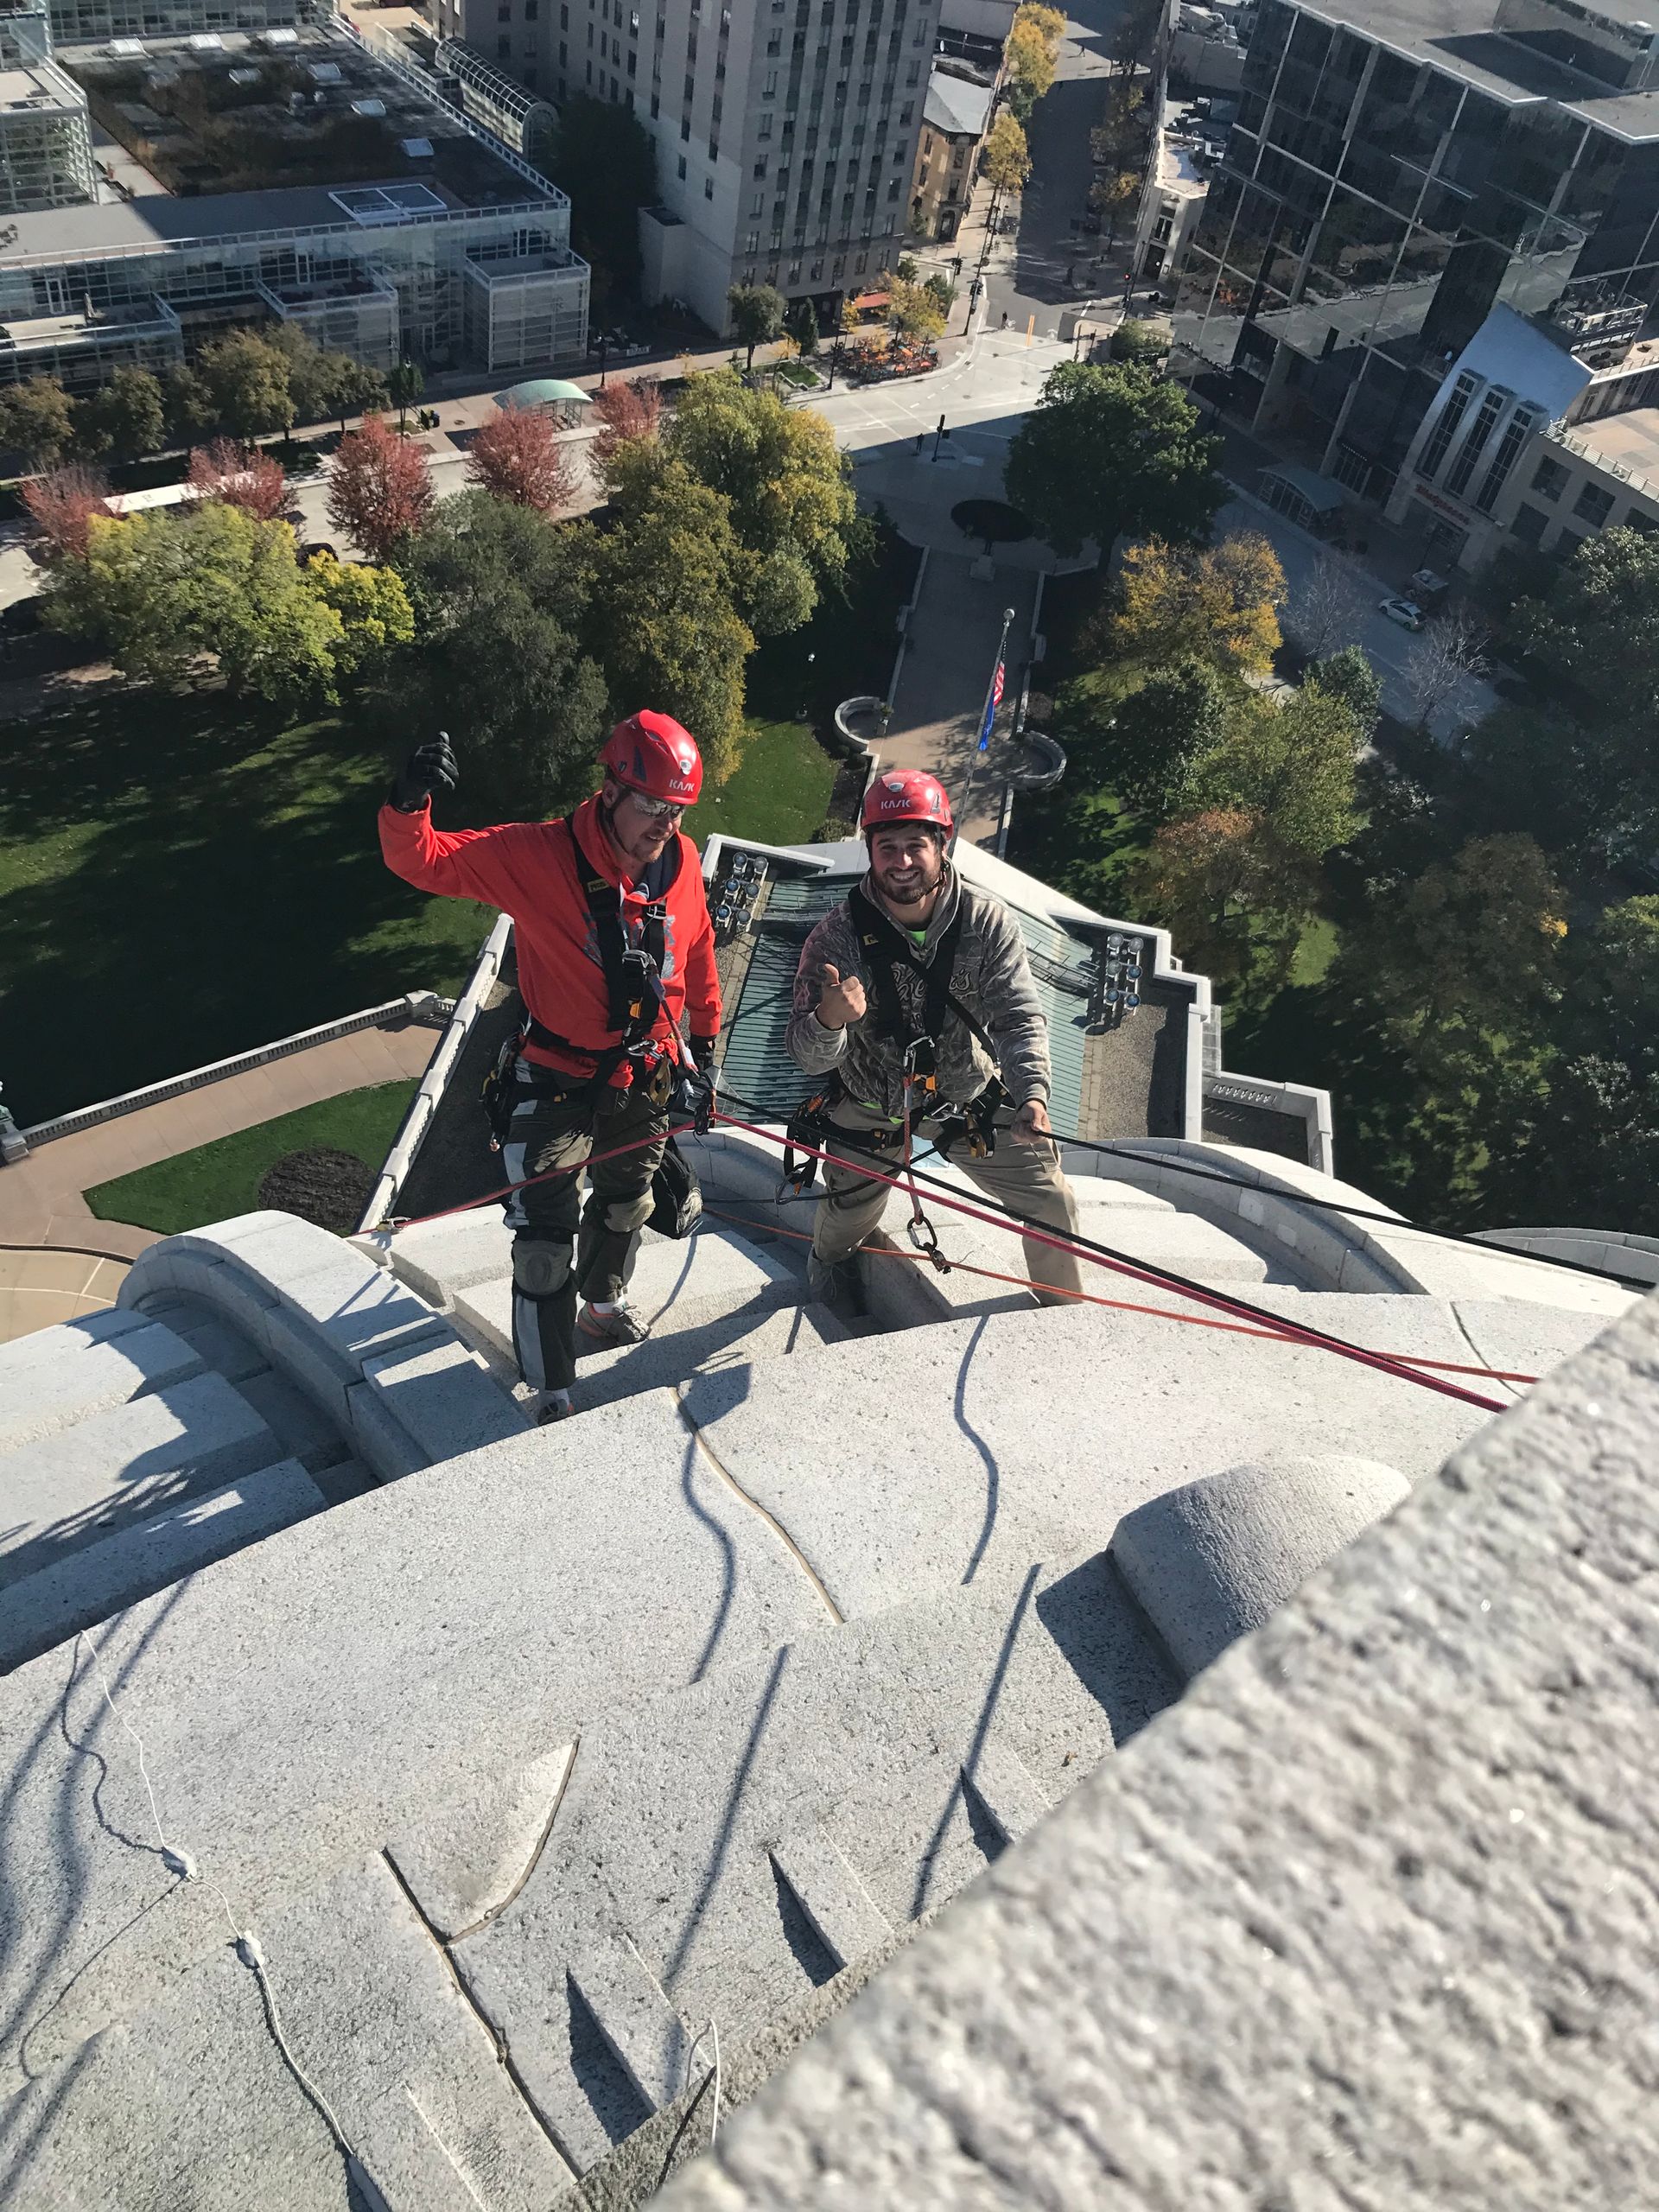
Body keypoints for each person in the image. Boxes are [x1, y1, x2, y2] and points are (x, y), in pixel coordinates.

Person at [379, 715, 721, 1422]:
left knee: (630, 1201)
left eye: (678, 809)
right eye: (652, 806)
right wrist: (409, 803)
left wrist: (706, 1043)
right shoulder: (538, 856)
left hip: (644, 1072)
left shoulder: (683, 865)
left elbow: (698, 952)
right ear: (610, 790)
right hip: (555, 1074)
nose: (665, 825)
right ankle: (551, 1385)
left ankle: (601, 1302)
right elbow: (426, 862)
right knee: (542, 1239)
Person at [785, 768, 1083, 1315]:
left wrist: (1032, 1095)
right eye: (887, 847)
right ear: (869, 851)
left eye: (915, 846)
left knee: (1050, 1196)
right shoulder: (835, 938)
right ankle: (828, 1264)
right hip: (871, 1101)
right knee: (846, 1215)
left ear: (943, 845)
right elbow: (804, 1055)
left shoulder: (986, 924)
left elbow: (1018, 1015)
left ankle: (1062, 1307)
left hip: (962, 1095)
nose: (901, 862)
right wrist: (828, 1022)